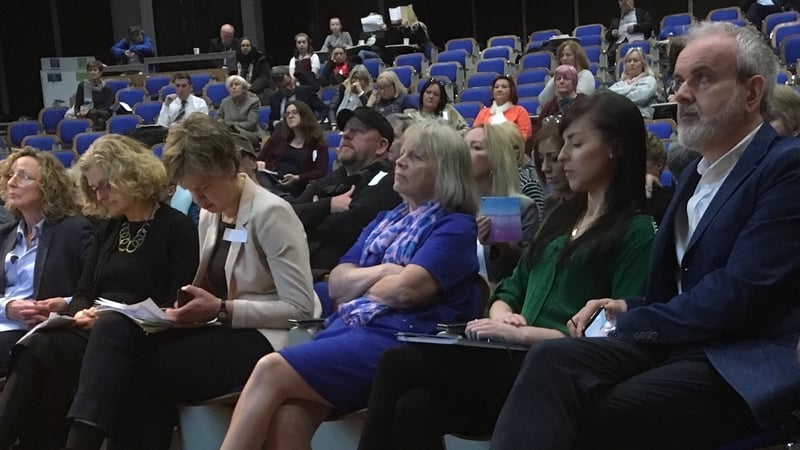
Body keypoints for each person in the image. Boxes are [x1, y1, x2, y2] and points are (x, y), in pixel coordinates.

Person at [491, 21, 800, 450]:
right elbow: (671, 292)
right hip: (676, 345)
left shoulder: (786, 167)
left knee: (603, 406)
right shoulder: (694, 174)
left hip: (739, 357)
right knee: (551, 362)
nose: (682, 94)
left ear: (751, 93)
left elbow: (739, 294)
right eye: (679, 80)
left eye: (703, 78)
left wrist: (633, 322)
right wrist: (623, 307)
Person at [357, 91, 655, 450]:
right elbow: (510, 288)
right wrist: (503, 317)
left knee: (396, 362)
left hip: (555, 371)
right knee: (414, 408)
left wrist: (520, 335)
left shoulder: (636, 231)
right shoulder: (562, 216)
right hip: (508, 356)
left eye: (575, 145)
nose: (561, 157)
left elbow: (612, 338)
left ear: (615, 148)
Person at [221, 120, 482, 449]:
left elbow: (405, 291)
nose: (400, 161)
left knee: (269, 369)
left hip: (398, 340)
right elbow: (337, 284)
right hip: (351, 327)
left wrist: (370, 281)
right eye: (403, 154)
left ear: (445, 171)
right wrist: (385, 270)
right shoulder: (386, 220)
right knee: (290, 415)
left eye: (416, 157)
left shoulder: (456, 226)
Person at [64, 115, 318, 449]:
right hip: (223, 329)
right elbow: (206, 285)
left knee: (144, 371)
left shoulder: (271, 213)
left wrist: (223, 309)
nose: (199, 199)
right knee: (120, 342)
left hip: (269, 338)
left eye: (204, 187)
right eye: (189, 190)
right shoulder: (214, 212)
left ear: (230, 166)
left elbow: (300, 308)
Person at [0, 135, 198, 450]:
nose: (100, 196)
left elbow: (175, 300)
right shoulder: (109, 227)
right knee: (38, 342)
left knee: (108, 327)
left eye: (106, 186)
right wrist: (79, 310)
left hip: (144, 332)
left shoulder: (176, 228)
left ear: (130, 175)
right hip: (97, 328)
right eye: (94, 189)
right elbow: (83, 290)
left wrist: (113, 313)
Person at [0, 149, 93, 376]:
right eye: (10, 175)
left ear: (48, 186)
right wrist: (7, 307)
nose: (12, 182)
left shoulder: (73, 229)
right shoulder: (6, 235)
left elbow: (93, 288)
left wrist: (64, 303)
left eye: (23, 176)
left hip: (40, 331)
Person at [290, 107, 402, 277]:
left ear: (381, 146)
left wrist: (310, 216)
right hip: (300, 271)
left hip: (336, 280)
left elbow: (351, 225)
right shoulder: (332, 178)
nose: (346, 135)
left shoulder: (389, 180)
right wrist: (327, 206)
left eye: (358, 130)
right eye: (346, 129)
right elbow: (286, 215)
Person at [466, 123, 540, 285]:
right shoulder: (454, 207)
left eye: (476, 148)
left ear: (495, 159)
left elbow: (528, 270)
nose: (464, 154)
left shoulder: (521, 208)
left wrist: (500, 246)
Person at [257, 101, 328, 197]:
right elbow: (260, 158)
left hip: (298, 185)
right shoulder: (278, 136)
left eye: (295, 112)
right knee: (259, 176)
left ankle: (274, 195)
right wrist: (260, 163)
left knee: (277, 189)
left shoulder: (317, 143)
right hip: (273, 178)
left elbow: (321, 172)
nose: (290, 116)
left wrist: (298, 178)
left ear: (304, 115)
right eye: (287, 114)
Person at [538, 41, 596, 106]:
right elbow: (543, 101)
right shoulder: (558, 78)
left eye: (568, 55)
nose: (564, 58)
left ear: (577, 57)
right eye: (562, 56)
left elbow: (579, 101)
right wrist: (557, 76)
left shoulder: (585, 74)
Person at [473, 75, 532, 139]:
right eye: (496, 87)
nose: (499, 89)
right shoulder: (483, 112)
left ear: (511, 91)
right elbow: (474, 135)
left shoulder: (520, 111)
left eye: (504, 87)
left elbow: (524, 137)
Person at [533, 64, 585, 137]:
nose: (561, 81)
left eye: (566, 78)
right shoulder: (549, 106)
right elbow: (538, 130)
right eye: (558, 79)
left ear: (574, 82)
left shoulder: (584, 102)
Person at [532, 123, 572, 216]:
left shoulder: (594, 208)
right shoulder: (549, 204)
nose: (544, 168)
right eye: (541, 160)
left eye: (554, 158)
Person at [609, 47, 657, 119]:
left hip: (642, 118)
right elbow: (608, 96)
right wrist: (632, 88)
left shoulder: (649, 80)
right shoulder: (619, 84)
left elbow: (640, 97)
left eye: (635, 60)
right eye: (628, 61)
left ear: (643, 64)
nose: (632, 64)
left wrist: (618, 97)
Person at [65, 60, 113, 131]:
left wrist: (93, 112)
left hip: (101, 111)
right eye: (90, 70)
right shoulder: (82, 85)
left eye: (95, 70)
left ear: (100, 72)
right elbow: (78, 104)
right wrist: (78, 113)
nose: (92, 72)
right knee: (68, 115)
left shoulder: (107, 87)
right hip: (86, 110)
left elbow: (107, 106)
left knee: (99, 118)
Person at [605, 0, 653, 69]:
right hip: (619, 44)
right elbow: (607, 37)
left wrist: (635, 28)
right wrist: (612, 34)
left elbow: (650, 25)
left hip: (638, 40)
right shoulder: (616, 20)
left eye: (627, 0)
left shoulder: (641, 13)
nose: (624, 2)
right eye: (621, 1)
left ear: (632, 1)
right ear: (619, 4)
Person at [217, 75, 261, 145]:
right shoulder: (224, 102)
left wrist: (232, 127)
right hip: (228, 133)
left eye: (236, 84)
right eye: (231, 86)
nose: (234, 87)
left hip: (249, 133)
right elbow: (219, 119)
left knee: (233, 136)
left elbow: (251, 124)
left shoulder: (253, 102)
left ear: (243, 88)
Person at [329, 64, 373, 129]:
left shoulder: (370, 93)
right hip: (339, 126)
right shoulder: (344, 89)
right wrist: (333, 124)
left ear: (366, 81)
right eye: (354, 78)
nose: (356, 81)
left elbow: (368, 109)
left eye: (360, 79)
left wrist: (360, 92)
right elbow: (332, 108)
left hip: (359, 128)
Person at [235, 37, 274, 104]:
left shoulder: (261, 59)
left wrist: (251, 89)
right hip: (241, 91)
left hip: (258, 91)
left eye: (248, 45)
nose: (245, 47)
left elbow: (264, 78)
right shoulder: (236, 60)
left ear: (252, 47)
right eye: (243, 46)